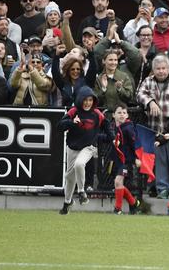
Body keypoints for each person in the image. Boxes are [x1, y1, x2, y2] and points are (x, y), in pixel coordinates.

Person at [136, 54, 169, 197]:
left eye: (163, 68)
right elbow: (139, 94)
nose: (161, 71)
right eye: (158, 68)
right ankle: (162, 189)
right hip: (156, 129)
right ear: (153, 69)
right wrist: (150, 102)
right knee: (160, 162)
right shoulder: (148, 81)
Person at [57, 86, 112, 215]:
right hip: (72, 147)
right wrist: (71, 122)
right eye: (85, 100)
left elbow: (107, 126)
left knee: (79, 164)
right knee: (69, 177)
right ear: (80, 100)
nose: (88, 103)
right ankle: (67, 203)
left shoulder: (97, 113)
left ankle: (82, 192)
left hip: (89, 147)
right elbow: (59, 126)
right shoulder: (73, 111)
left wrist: (113, 139)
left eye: (90, 100)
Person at [110, 104, 142, 214]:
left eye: (124, 113)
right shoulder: (113, 127)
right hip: (117, 160)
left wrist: (137, 158)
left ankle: (118, 209)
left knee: (118, 182)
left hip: (126, 161)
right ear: (114, 115)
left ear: (127, 115)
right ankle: (133, 203)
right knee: (119, 184)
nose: (122, 115)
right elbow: (108, 137)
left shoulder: (129, 128)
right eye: (119, 113)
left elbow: (135, 144)